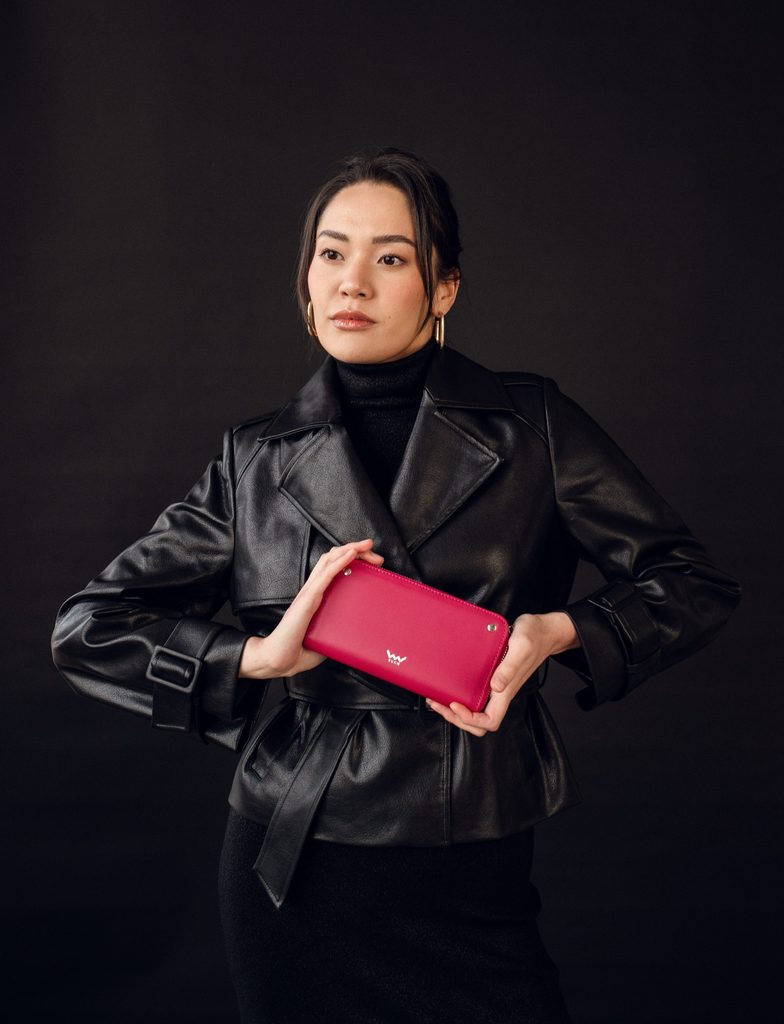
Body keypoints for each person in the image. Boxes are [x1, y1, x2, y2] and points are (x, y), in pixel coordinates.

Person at [51, 148, 741, 1024]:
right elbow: (89, 626)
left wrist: (553, 634)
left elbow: (688, 582)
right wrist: (260, 657)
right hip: (298, 859)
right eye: (332, 253)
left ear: (444, 288)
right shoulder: (255, 458)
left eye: (390, 257)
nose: (354, 282)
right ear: (307, 281)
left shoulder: (532, 425)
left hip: (472, 850)